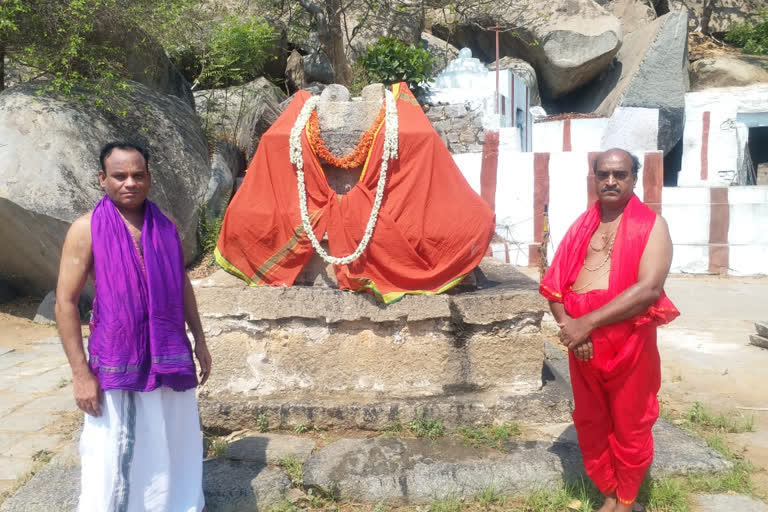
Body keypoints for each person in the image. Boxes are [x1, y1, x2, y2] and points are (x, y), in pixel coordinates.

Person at [55, 141, 212, 512]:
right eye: (119, 175)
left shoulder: (166, 225)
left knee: (176, 439)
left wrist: (199, 340)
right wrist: (80, 373)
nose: (130, 183)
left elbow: (181, 283)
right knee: (116, 448)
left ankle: (177, 505)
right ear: (102, 179)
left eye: (138, 175)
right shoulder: (86, 229)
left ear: (150, 178)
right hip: (118, 357)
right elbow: (65, 302)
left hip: (170, 353)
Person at [539, 148, 679, 512]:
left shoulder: (652, 226)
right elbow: (554, 285)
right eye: (603, 174)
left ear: (634, 178)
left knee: (630, 422)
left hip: (629, 344)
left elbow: (648, 289)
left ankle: (627, 500)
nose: (611, 181)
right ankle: (608, 494)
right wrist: (571, 328)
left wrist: (587, 323)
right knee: (592, 421)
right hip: (581, 345)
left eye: (620, 174)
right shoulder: (582, 226)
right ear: (595, 178)